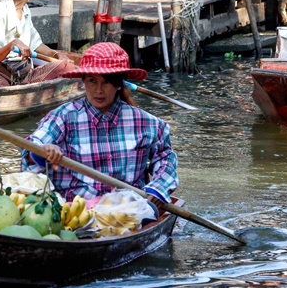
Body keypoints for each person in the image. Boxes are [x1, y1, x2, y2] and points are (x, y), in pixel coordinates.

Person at [21, 42, 179, 208]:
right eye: (92, 81)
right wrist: (42, 151)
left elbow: (165, 157)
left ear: (119, 83)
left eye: (106, 82)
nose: (98, 90)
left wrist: (158, 188)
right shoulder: (63, 117)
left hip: (129, 210)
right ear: (83, 81)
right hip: (75, 210)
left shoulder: (148, 123)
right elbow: (32, 146)